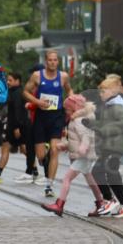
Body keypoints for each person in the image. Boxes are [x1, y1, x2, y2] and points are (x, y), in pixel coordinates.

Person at [41, 94, 104, 216]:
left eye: (67, 109)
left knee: (66, 179)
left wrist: (83, 148)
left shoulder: (79, 120)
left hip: (83, 156)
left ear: (74, 108)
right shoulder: (77, 119)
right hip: (84, 155)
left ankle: (59, 205)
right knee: (91, 180)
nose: (66, 111)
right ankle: (101, 203)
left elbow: (86, 136)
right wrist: (65, 145)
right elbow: (76, 139)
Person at [22, 50, 72, 198]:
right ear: (46, 62)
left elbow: (69, 91)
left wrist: (71, 102)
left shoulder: (63, 76)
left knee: (55, 151)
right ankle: (46, 158)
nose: (53, 62)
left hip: (56, 116)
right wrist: (37, 102)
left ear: (58, 61)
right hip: (41, 117)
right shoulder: (37, 76)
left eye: (55, 60)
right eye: (50, 60)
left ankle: (49, 185)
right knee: (41, 155)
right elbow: (25, 92)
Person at [87, 74, 123, 218]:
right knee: (111, 174)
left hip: (115, 146)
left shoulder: (117, 107)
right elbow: (105, 125)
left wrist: (104, 130)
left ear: (113, 92)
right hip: (110, 146)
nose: (100, 94)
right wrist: (93, 125)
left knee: (98, 171)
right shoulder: (109, 106)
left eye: (103, 91)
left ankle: (110, 200)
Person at [0, 72, 26, 184]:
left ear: (17, 81)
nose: (8, 82)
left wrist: (17, 127)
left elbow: (18, 110)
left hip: (16, 126)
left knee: (22, 149)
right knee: (9, 148)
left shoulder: (17, 93)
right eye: (7, 80)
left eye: (10, 80)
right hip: (13, 126)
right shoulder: (14, 92)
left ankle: (38, 167)